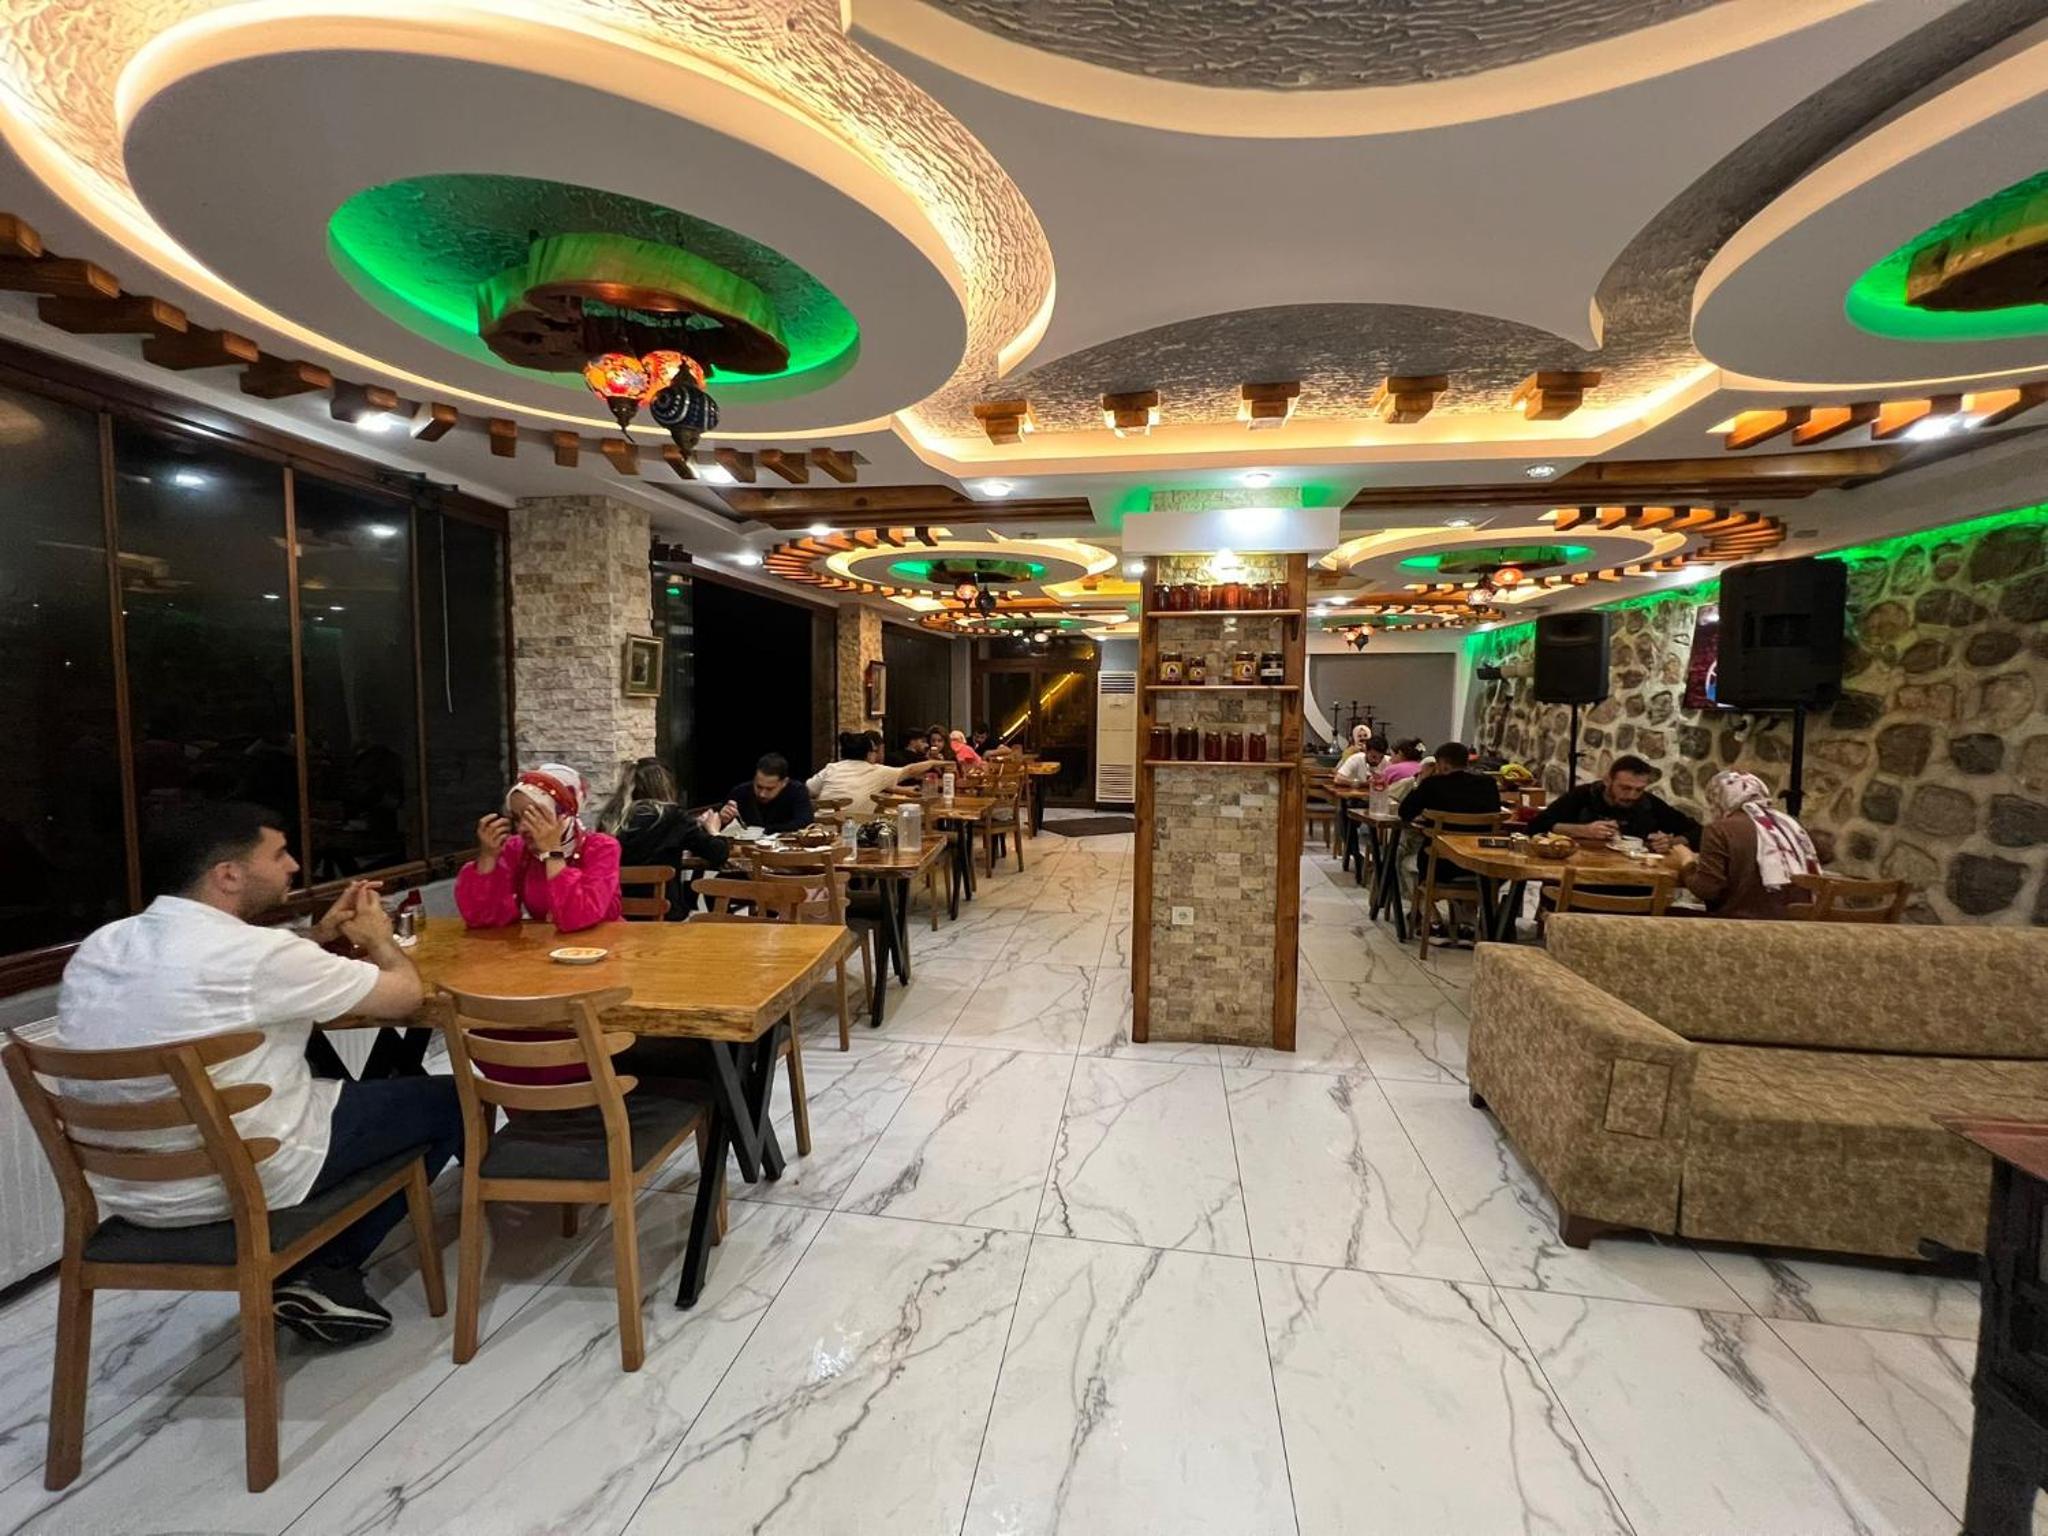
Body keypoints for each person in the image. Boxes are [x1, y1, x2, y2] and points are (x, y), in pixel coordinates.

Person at [56, 803, 460, 1344]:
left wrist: (317, 935)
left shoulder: (100, 947)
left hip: (130, 1191)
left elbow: (245, 973)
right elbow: (405, 995)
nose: (294, 865)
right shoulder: (258, 955)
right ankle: (328, 1270)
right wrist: (378, 939)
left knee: (325, 1074)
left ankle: (322, 1256)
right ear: (228, 875)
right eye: (279, 854)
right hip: (239, 1181)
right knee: (452, 1098)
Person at [456, 764, 621, 931]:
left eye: (535, 816)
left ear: (563, 814)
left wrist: (553, 853)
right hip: (545, 944)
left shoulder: (601, 848)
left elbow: (578, 916)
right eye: (517, 818)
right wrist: (488, 858)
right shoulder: (517, 849)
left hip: (605, 942)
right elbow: (483, 919)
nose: (522, 828)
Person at [1666, 770, 1821, 920]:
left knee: (1662, 913)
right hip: (1796, 922)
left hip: (1743, 922)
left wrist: (1686, 861)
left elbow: (1706, 889)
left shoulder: (1719, 829)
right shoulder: (1790, 825)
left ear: (1718, 798)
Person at [597, 758, 731, 917]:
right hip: (663, 914)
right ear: (665, 786)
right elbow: (717, 853)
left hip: (615, 912)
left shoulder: (611, 817)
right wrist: (713, 829)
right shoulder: (672, 817)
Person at [1528, 754, 1702, 853]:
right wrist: (1582, 830)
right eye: (1625, 788)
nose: (1632, 795)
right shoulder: (1583, 796)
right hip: (1580, 879)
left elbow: (1698, 833)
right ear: (1608, 781)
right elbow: (1535, 826)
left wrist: (1671, 842)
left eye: (1639, 789)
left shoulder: (1648, 803)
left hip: (1634, 885)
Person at [808, 731, 936, 818]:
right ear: (868, 753)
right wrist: (934, 762)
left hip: (820, 830)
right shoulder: (875, 770)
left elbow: (809, 789)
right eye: (875, 751)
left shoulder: (831, 768)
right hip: (853, 831)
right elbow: (910, 770)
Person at [717, 752, 814, 832]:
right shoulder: (740, 792)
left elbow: (805, 822)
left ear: (784, 783)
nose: (762, 794)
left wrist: (766, 830)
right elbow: (716, 826)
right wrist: (722, 820)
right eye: (759, 787)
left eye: (769, 789)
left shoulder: (797, 791)